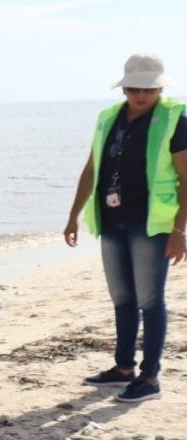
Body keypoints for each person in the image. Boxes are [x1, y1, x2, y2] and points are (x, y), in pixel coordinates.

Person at [65, 52, 187, 403]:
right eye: (134, 88)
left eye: (148, 89)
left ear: (160, 88)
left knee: (150, 300)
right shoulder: (108, 119)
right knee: (122, 299)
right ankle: (123, 369)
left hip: (152, 225)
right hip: (112, 221)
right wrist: (73, 215)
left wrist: (179, 231)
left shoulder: (174, 120)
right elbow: (91, 170)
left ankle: (150, 379)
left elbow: (186, 179)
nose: (140, 95)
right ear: (124, 88)